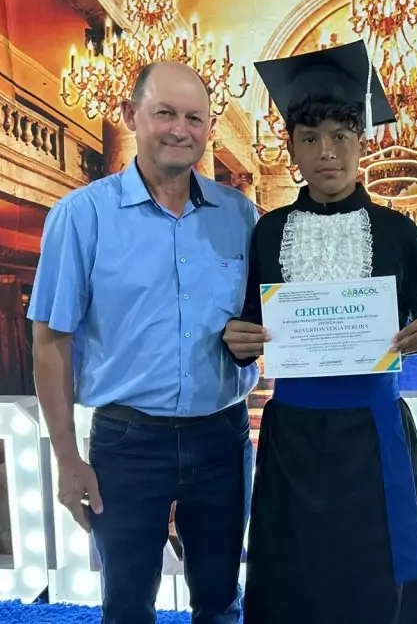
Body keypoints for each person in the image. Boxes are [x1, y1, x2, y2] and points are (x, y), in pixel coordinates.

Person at [223, 40, 417, 624]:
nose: (326, 152)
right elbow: (246, 319)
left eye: (340, 137)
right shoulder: (268, 233)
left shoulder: (397, 230)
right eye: (310, 139)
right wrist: (236, 339)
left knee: (378, 573)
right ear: (293, 153)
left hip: (374, 436)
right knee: (295, 570)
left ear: (362, 144)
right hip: (294, 436)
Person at [28, 60, 258, 624]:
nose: (180, 129)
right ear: (132, 116)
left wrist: (257, 338)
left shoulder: (242, 217)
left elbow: (268, 318)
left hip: (223, 436)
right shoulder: (80, 217)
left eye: (194, 117)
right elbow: (50, 340)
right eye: (165, 113)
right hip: (127, 443)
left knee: (222, 602)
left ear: (208, 128)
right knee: (127, 605)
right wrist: (66, 457)